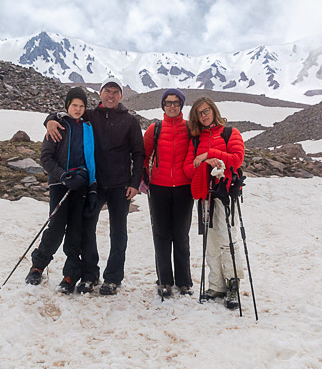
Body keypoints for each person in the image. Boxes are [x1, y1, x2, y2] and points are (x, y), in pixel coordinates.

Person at [45, 77, 145, 295]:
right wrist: (50, 120)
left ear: (121, 96)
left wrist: (134, 182)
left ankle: (113, 278)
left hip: (120, 185)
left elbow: (139, 154)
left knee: (118, 232)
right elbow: (67, 114)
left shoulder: (130, 121)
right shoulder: (90, 115)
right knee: (87, 230)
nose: (110, 95)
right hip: (94, 184)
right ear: (100, 94)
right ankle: (90, 275)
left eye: (115, 92)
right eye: (107, 91)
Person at [25, 86, 97, 294]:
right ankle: (37, 266)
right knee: (56, 227)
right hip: (60, 185)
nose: (78, 109)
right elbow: (46, 158)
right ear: (67, 106)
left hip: (81, 185)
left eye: (82, 106)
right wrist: (62, 175)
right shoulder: (57, 126)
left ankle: (70, 275)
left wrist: (90, 186)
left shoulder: (87, 128)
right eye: (74, 105)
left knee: (76, 231)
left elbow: (90, 160)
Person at [183, 96, 246, 309]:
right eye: (199, 113)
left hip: (225, 194)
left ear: (213, 110)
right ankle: (216, 284)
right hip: (205, 193)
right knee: (210, 240)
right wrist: (201, 162)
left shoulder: (230, 133)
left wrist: (208, 154)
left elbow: (236, 159)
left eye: (206, 110)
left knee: (227, 238)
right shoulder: (195, 139)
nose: (204, 115)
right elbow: (188, 168)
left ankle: (232, 284)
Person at [143, 89, 194, 297]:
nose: (172, 106)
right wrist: (145, 178)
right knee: (162, 235)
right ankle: (164, 279)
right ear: (163, 106)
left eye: (175, 103)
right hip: (159, 188)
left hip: (184, 187)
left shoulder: (190, 129)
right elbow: (143, 156)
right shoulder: (154, 129)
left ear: (181, 105)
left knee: (181, 235)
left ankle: (183, 281)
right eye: (168, 103)